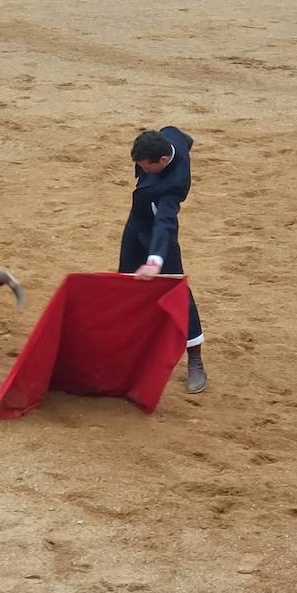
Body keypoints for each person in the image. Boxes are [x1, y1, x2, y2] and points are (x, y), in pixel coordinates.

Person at [119, 128, 206, 394]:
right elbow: (185, 139)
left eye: (145, 166)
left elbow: (165, 222)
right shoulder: (170, 136)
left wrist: (156, 259)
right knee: (126, 280)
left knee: (176, 289)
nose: (140, 169)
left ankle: (195, 359)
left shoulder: (173, 186)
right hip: (137, 223)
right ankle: (130, 348)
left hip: (160, 232)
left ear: (164, 161)